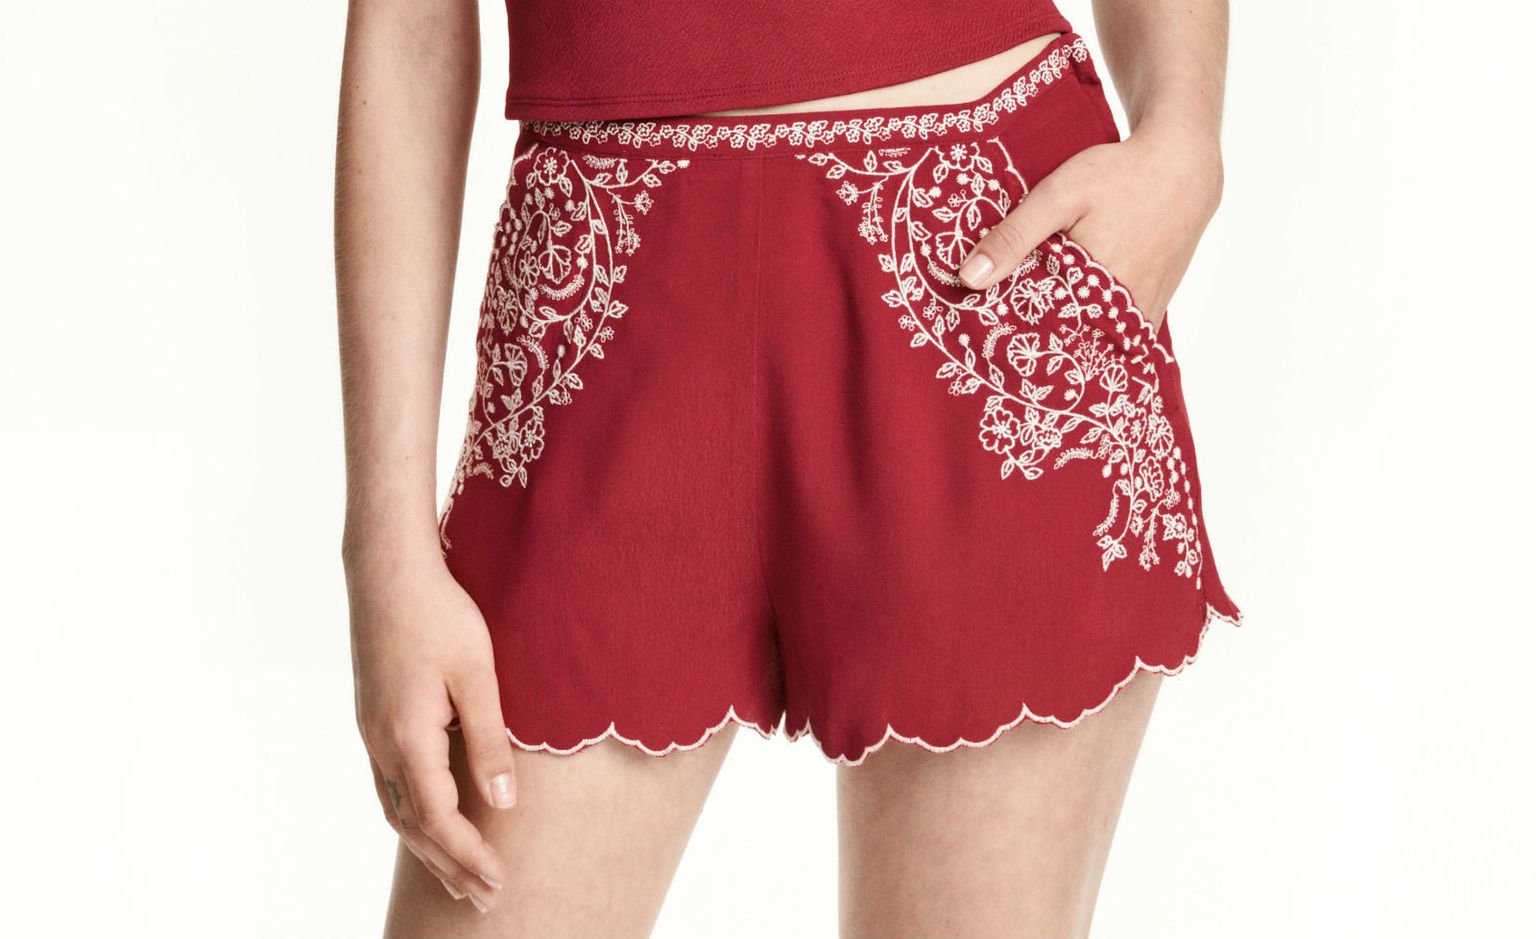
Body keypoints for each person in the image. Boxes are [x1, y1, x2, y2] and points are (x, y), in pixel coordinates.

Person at [334, 0, 1242, 935]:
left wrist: (1185, 136)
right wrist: (385, 549)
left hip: (978, 252)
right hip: (600, 303)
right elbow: (408, 27)